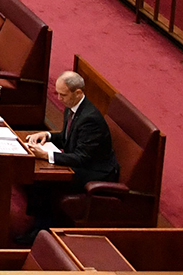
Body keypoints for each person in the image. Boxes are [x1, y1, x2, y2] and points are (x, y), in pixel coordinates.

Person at [19, 71, 119, 235]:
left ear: (78, 93)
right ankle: (38, 221)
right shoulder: (72, 107)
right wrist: (47, 135)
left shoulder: (90, 119)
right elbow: (68, 139)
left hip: (96, 171)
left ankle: (42, 229)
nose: (59, 99)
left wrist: (45, 155)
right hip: (83, 160)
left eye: (63, 95)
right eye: (57, 93)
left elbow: (81, 157)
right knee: (34, 174)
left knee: (43, 181)